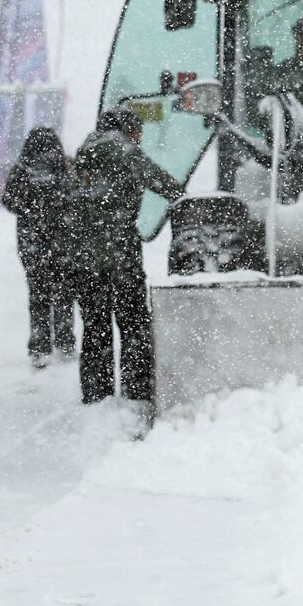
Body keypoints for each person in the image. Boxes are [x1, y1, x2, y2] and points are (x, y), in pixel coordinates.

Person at [68, 106, 186, 405]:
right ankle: (137, 393)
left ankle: (97, 395)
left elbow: (66, 205)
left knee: (95, 326)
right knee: (133, 323)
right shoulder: (126, 151)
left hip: (84, 259)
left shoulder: (82, 155)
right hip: (121, 255)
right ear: (127, 129)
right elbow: (166, 185)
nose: (139, 139)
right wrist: (182, 198)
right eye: (138, 133)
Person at [1, 126, 77, 368]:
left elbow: (9, 200)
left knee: (38, 293)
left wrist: (31, 211)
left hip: (32, 241)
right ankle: (65, 341)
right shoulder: (65, 167)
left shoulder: (23, 169)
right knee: (64, 291)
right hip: (62, 239)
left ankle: (40, 345)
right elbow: (76, 195)